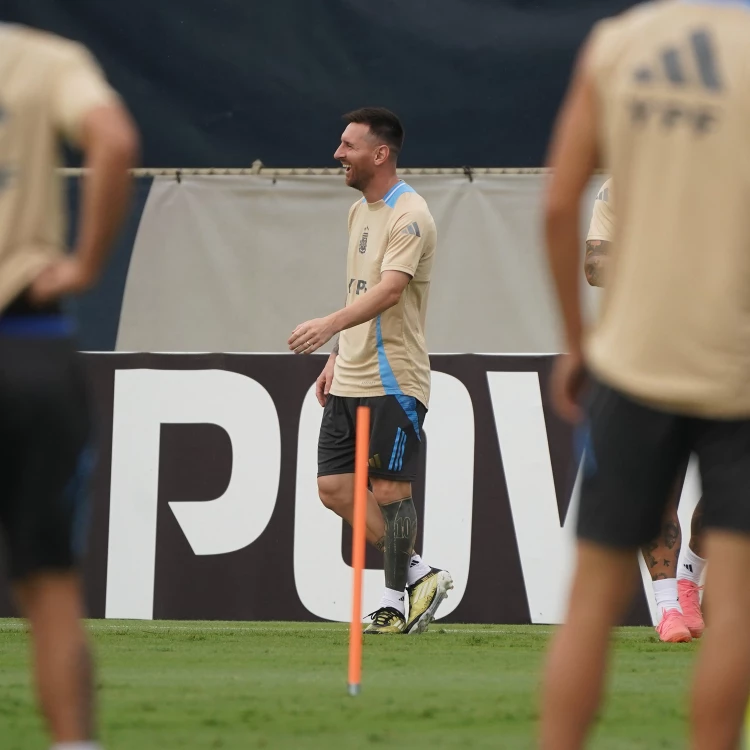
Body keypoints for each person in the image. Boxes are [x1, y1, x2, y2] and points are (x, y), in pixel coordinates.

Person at [541, 2, 750, 748]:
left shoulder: (617, 44)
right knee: (741, 606)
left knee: (592, 598)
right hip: (738, 364)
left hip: (634, 362)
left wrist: (575, 343)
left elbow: (558, 203)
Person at [0, 23, 138, 750]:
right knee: (50, 586)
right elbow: (113, 138)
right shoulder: (43, 58)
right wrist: (83, 265)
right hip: (27, 345)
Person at [289, 107, 452, 635]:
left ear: (379, 154)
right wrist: (337, 352)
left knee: (388, 491)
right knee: (334, 486)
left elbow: (389, 290)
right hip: (351, 372)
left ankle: (392, 600)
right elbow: (359, 288)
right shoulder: (359, 211)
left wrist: (325, 324)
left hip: (394, 378)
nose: (338, 154)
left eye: (348, 145)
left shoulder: (411, 214)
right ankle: (422, 574)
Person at [586, 180, 707, 643]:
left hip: (727, 353)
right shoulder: (622, 186)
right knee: (660, 485)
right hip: (655, 354)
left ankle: (688, 576)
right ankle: (667, 606)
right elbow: (594, 264)